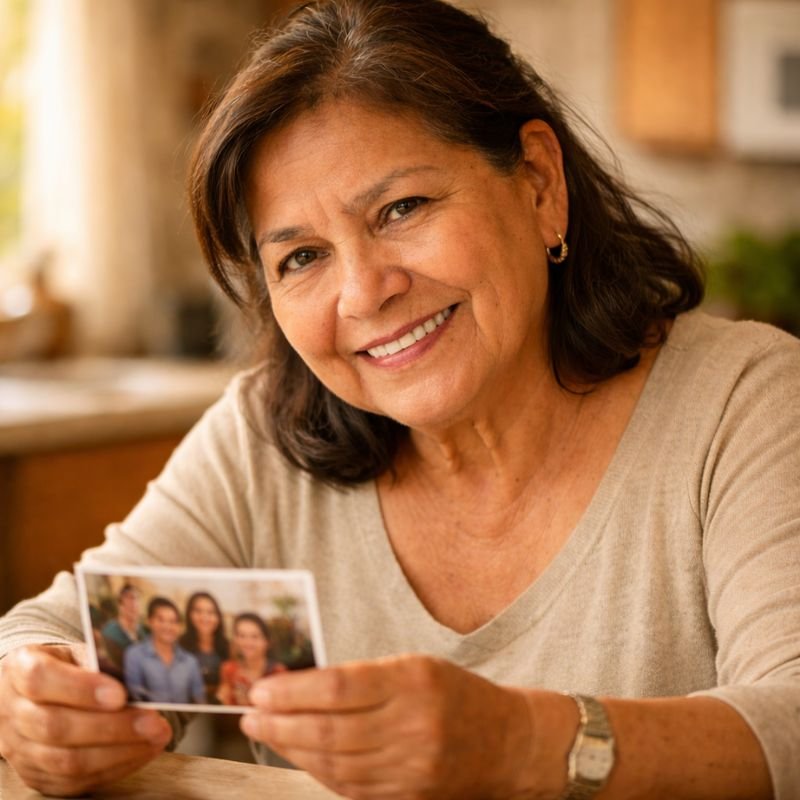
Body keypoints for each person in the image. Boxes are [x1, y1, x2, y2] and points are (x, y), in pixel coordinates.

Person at [0, 0, 798, 797]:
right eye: (303, 256)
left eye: (403, 209)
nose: (365, 293)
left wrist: (521, 741)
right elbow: (52, 637)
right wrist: (46, 705)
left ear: (540, 184)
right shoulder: (267, 438)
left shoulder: (745, 403)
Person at [123, 597, 205, 706]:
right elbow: (135, 696)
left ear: (180, 627)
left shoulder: (190, 661)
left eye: (173, 621)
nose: (168, 626)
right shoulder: (134, 655)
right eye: (161, 620)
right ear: (149, 621)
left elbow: (199, 699)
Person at [217, 613, 286, 707]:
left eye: (255, 637)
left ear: (266, 641)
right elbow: (224, 704)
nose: (247, 643)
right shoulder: (228, 669)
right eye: (242, 636)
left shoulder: (278, 672)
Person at [178, 591, 230, 703]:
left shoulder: (228, 647)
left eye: (211, 612)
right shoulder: (179, 645)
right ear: (189, 614)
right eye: (198, 611)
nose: (204, 617)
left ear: (218, 617)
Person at [100, 583, 147, 668]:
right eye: (130, 599)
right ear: (120, 606)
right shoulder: (110, 633)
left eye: (137, 599)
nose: (134, 604)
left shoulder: (141, 632)